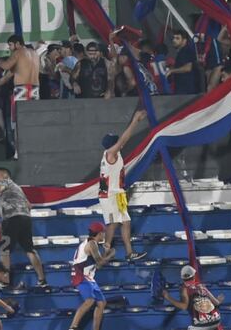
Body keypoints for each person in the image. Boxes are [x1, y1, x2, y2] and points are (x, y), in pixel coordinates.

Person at [0, 168, 47, 287]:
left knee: (4, 250)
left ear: (5, 175)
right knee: (29, 249)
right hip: (25, 219)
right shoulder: (18, 189)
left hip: (12, 219)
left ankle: (4, 281)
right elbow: (28, 205)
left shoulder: (6, 182)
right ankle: (42, 280)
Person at [99, 110, 148, 261]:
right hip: (109, 195)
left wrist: (136, 121)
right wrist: (135, 121)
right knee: (113, 223)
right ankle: (105, 249)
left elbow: (124, 140)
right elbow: (122, 141)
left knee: (126, 221)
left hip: (118, 193)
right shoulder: (110, 154)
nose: (118, 141)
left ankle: (129, 253)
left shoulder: (116, 152)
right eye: (116, 141)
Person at [0, 35, 40, 154]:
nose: (9, 48)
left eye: (10, 45)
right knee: (32, 121)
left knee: (18, 123)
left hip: (22, 90)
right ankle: (33, 148)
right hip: (35, 90)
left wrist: (0, 61)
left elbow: (5, 66)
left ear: (18, 44)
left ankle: (18, 152)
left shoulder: (18, 52)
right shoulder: (34, 53)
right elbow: (7, 76)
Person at [69, 222, 115, 330]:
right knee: (90, 300)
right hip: (81, 275)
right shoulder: (92, 244)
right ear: (99, 233)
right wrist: (111, 254)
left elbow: (98, 265)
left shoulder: (91, 243)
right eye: (103, 233)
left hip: (88, 276)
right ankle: (73, 327)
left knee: (101, 302)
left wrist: (106, 253)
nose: (104, 235)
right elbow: (100, 263)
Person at [163, 265, 224, 330]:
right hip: (216, 322)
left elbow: (184, 306)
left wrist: (167, 297)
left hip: (201, 325)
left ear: (182, 278)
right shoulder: (201, 286)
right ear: (194, 276)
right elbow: (216, 303)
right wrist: (219, 299)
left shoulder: (184, 288)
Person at [167, 30, 199, 95]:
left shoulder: (186, 51)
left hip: (186, 90)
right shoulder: (181, 52)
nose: (174, 40)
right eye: (173, 38)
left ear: (184, 40)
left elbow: (188, 68)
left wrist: (171, 71)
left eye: (177, 38)